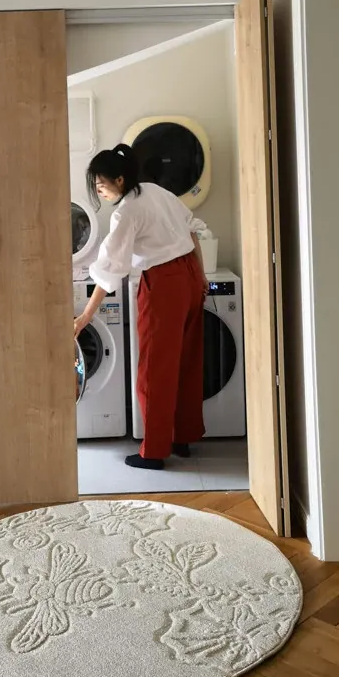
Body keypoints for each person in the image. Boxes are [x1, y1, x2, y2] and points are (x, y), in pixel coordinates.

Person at [74, 144, 208, 470]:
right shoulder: (155, 191)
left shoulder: (126, 212)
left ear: (120, 180)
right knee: (187, 362)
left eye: (101, 185)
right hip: (190, 276)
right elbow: (192, 229)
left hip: (164, 284)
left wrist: (85, 316)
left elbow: (110, 270)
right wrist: (201, 275)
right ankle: (181, 437)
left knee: (154, 369)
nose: (99, 191)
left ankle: (154, 452)